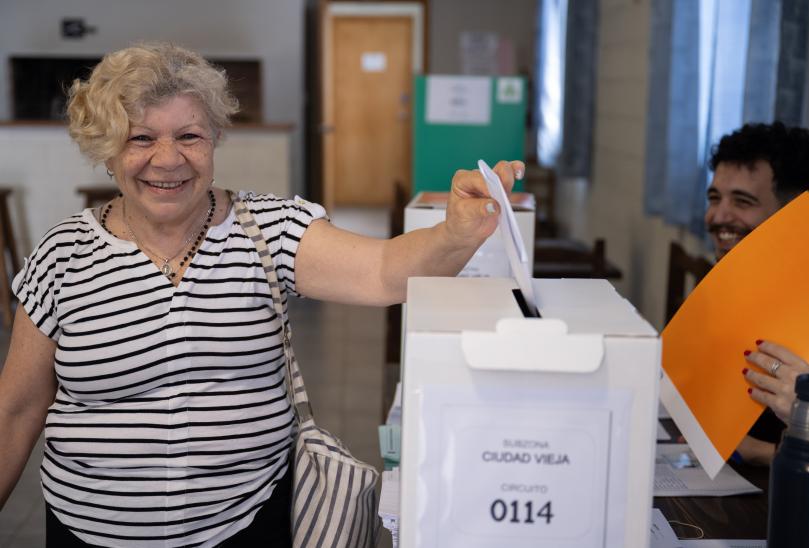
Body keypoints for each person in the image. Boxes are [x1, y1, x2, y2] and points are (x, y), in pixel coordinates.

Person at [0, 42, 525, 547]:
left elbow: (386, 271)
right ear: (107, 151)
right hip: (87, 531)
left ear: (214, 141)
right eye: (141, 139)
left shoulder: (269, 229)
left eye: (190, 135)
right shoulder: (62, 255)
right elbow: (18, 409)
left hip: (247, 526)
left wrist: (455, 232)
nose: (168, 159)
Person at [703, 121, 809, 464]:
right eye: (714, 198)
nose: (719, 216)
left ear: (791, 216)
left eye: (742, 201)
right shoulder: (723, 285)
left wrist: (762, 452)